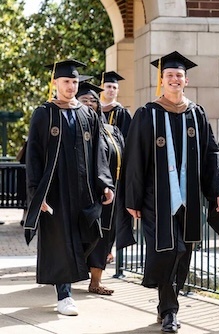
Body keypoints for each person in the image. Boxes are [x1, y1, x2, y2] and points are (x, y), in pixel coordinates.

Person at [123, 51, 219, 333]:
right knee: (171, 250)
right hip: (155, 198)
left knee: (185, 251)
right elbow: (134, 159)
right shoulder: (147, 114)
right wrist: (131, 198)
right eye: (169, 75)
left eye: (179, 75)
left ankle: (165, 305)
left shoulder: (196, 113)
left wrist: (218, 188)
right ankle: (170, 311)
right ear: (162, 80)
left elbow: (210, 153)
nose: (174, 79)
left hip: (189, 197)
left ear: (186, 80)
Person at [24, 59, 114, 316]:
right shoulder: (45, 113)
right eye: (66, 81)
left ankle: (70, 277)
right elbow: (34, 156)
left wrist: (105, 183)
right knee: (62, 241)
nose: (71, 86)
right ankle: (64, 294)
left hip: (84, 188)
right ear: (55, 83)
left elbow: (99, 150)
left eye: (75, 82)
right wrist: (36, 194)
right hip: (56, 191)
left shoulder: (87, 113)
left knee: (92, 235)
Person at [77, 81, 126, 295]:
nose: (89, 104)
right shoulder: (75, 128)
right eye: (84, 100)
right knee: (83, 235)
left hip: (110, 193)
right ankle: (69, 276)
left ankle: (95, 282)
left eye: (92, 101)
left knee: (105, 235)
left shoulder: (111, 130)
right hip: (84, 192)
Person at [100, 71, 132, 138]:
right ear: (101, 88)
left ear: (117, 91)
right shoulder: (94, 110)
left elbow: (127, 136)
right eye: (108, 86)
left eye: (114, 88)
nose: (111, 90)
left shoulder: (122, 113)